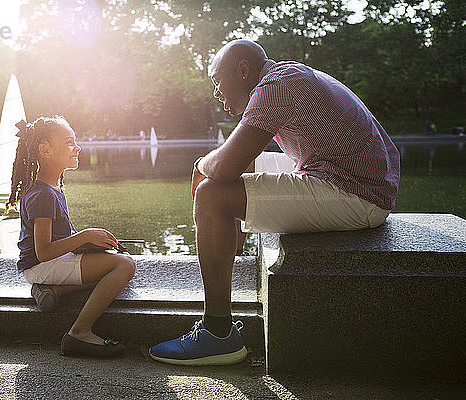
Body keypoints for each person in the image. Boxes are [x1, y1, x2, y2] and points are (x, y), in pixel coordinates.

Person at [149, 39, 400, 365]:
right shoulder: (285, 77)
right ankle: (228, 258)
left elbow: (225, 167)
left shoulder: (276, 86)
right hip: (346, 175)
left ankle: (217, 333)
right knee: (233, 169)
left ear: (242, 70)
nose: (216, 93)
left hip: (355, 192)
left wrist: (200, 164)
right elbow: (238, 159)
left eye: (217, 82)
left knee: (210, 194)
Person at [7, 115, 136, 357]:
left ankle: (53, 292)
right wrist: (84, 236)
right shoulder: (43, 195)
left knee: (113, 260)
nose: (77, 147)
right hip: (40, 265)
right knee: (124, 266)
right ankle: (79, 332)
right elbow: (43, 251)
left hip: (44, 264)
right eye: (69, 142)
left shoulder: (52, 188)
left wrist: (89, 243)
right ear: (45, 150)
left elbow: (61, 238)